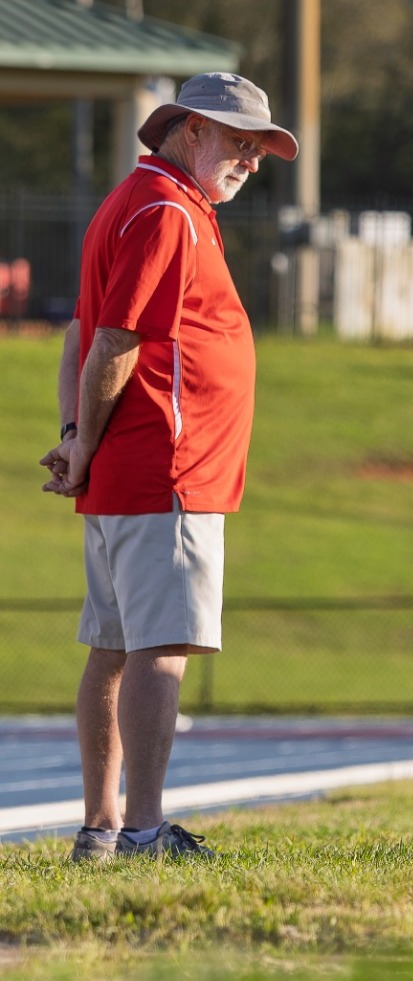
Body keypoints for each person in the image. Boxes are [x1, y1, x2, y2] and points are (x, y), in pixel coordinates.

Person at [37, 73, 296, 861]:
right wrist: (84, 442)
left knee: (114, 648)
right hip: (167, 467)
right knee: (161, 645)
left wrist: (77, 433)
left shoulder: (137, 201)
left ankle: (100, 827)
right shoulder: (166, 211)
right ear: (192, 130)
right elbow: (114, 339)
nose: (251, 161)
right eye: (240, 143)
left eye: (258, 149)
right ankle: (144, 831)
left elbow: (80, 332)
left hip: (133, 471)